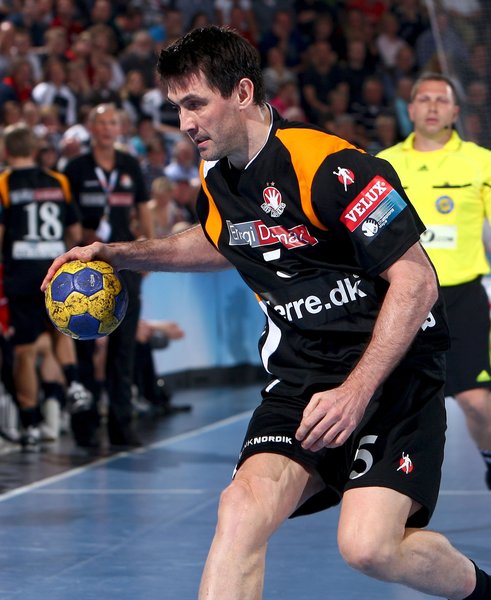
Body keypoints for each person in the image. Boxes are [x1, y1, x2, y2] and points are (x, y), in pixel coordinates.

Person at [42, 26, 491, 600]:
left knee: (370, 548)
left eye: (196, 104)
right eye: (177, 108)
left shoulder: (331, 167)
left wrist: (355, 391)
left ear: (243, 92)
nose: (185, 123)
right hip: (302, 376)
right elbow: (221, 240)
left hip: (392, 372)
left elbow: (417, 281)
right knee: (241, 509)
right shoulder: (218, 176)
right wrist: (119, 254)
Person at [378, 72, 491, 490]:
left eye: (441, 100)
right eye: (423, 99)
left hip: (462, 297)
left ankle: (489, 457)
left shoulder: (481, 161)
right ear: (410, 110)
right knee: (398, 406)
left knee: (477, 402)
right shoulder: (385, 163)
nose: (431, 106)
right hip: (401, 297)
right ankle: (393, 486)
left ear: (455, 111)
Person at [63, 103, 153, 449]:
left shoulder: (130, 164)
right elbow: (68, 220)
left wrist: (148, 251)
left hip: (123, 265)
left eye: (112, 123)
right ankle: (84, 427)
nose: (106, 128)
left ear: (120, 128)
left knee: (123, 349)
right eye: (100, 123)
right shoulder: (75, 168)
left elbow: (143, 210)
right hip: (84, 271)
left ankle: (121, 425)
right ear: (90, 128)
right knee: (83, 348)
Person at [0, 122, 82, 450]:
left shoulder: (4, 183)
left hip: (20, 276)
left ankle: (31, 422)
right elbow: (74, 232)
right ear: (34, 150)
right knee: (59, 332)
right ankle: (74, 384)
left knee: (25, 350)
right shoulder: (57, 180)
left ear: (6, 150)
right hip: (55, 270)